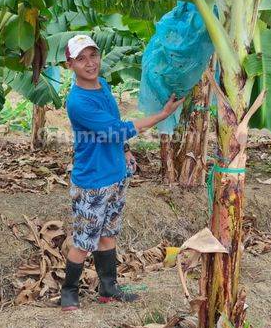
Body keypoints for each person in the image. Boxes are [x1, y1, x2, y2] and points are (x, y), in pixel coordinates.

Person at [61, 34, 184, 311]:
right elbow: (114, 130)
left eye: (93, 55)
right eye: (81, 58)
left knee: (108, 235)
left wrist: (126, 150)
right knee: (83, 241)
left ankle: (108, 288)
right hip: (93, 180)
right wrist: (160, 116)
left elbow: (115, 125)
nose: (90, 63)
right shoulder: (78, 102)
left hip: (116, 174)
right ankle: (68, 292)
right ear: (70, 64)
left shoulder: (102, 85)